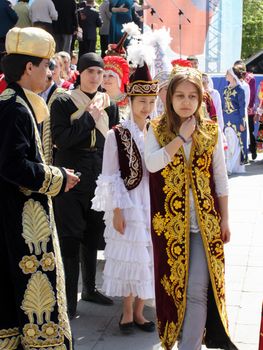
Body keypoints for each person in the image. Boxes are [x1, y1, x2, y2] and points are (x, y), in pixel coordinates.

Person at [144, 63, 237, 350]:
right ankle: (179, 337)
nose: (186, 102)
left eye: (192, 96)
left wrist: (225, 219)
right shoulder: (156, 129)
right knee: (174, 288)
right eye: (180, 96)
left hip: (205, 224)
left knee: (198, 288)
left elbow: (220, 179)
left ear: (201, 99)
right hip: (170, 226)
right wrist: (181, 139)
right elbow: (152, 163)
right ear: (169, 97)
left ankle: (191, 346)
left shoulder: (210, 130)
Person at [0, 26, 79, 349]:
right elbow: (12, 166)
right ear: (28, 68)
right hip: (18, 223)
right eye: (46, 65)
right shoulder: (14, 108)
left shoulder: (15, 102)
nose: (51, 72)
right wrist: (58, 178)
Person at [50, 52, 119, 319]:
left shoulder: (110, 104)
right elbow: (62, 139)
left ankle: (89, 289)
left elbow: (112, 143)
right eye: (90, 72)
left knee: (92, 233)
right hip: (71, 172)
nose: (95, 77)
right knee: (70, 236)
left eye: (100, 73)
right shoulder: (64, 101)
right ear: (81, 73)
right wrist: (90, 116)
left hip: (98, 174)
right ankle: (68, 300)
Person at [92, 60, 158, 334]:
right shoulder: (115, 134)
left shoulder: (157, 131)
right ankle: (128, 312)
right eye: (141, 100)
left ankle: (141, 312)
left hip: (153, 201)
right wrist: (117, 210)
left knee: (149, 257)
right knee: (131, 257)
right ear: (129, 100)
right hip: (129, 202)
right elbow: (110, 175)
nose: (146, 107)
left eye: (151, 101)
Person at [222, 67, 246, 174]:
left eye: (227, 74)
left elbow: (242, 107)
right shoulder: (225, 89)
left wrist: (242, 122)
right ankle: (228, 165)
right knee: (227, 144)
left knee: (235, 144)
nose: (225, 76)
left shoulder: (240, 90)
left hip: (236, 120)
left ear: (232, 75)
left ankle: (231, 167)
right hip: (226, 119)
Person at [102, 54, 130, 120]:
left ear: (119, 78)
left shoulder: (129, 100)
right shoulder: (98, 98)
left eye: (111, 76)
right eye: (104, 76)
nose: (106, 79)